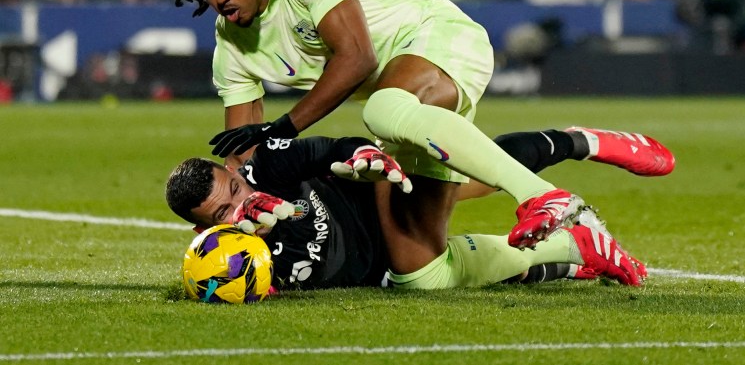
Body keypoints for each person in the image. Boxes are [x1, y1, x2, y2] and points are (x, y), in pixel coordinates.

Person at [165, 0, 669, 264]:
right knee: (417, 264)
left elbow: (357, 57)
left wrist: (285, 128)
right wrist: (243, 204)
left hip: (442, 40)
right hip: (404, 92)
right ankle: (579, 199)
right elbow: (244, 158)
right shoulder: (230, 45)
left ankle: (543, 197)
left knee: (382, 109)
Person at [167, 127, 674, 291]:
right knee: (435, 277)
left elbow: (327, 150)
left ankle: (583, 140)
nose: (240, 206)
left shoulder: (268, 168)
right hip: (380, 269)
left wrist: (358, 156)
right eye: (222, 214)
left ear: (234, 174)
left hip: (384, 197)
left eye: (233, 190)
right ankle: (573, 253)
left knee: (475, 177)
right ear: (200, 228)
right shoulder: (226, 259)